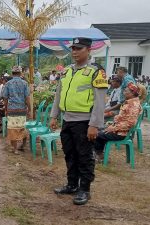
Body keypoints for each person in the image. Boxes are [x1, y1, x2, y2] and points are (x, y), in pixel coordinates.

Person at [50, 37, 108, 205]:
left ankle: (85, 189)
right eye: (73, 48)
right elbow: (58, 95)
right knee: (70, 154)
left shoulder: (96, 72)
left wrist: (94, 125)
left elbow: (99, 100)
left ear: (89, 50)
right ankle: (72, 184)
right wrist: (54, 116)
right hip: (67, 120)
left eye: (79, 48)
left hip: (84, 122)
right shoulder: (67, 71)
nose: (74, 51)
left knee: (84, 156)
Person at [95, 83, 142, 160]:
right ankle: (99, 154)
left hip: (121, 133)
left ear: (132, 93)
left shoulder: (134, 105)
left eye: (126, 91)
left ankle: (99, 155)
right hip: (118, 130)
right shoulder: (129, 102)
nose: (124, 92)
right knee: (98, 130)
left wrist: (114, 128)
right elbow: (123, 119)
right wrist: (112, 125)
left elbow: (130, 123)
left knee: (97, 134)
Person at [2, 66, 31, 153]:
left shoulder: (8, 84)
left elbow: (5, 98)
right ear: (20, 73)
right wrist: (29, 109)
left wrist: (6, 109)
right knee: (22, 127)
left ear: (12, 73)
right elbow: (27, 98)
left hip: (12, 109)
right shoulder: (25, 83)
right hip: (22, 109)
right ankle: (23, 146)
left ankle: (15, 149)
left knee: (12, 129)